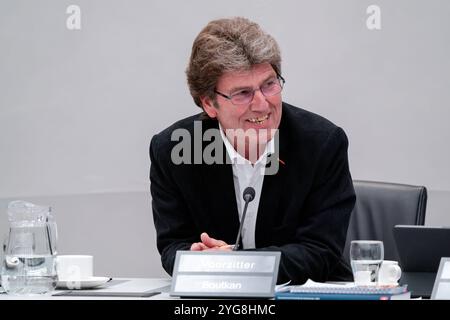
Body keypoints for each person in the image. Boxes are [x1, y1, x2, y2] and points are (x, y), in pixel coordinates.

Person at [149, 17, 356, 284]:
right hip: (217, 298)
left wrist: (237, 265)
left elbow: (319, 251)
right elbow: (172, 243)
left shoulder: (322, 144)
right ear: (210, 105)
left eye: (269, 84)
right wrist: (196, 256)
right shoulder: (173, 151)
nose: (262, 104)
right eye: (243, 93)